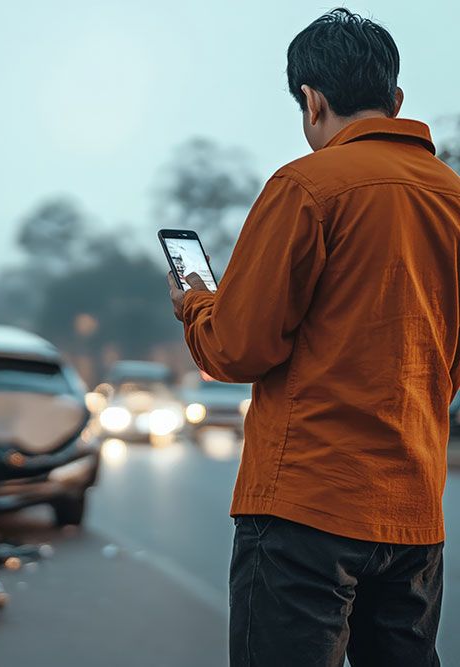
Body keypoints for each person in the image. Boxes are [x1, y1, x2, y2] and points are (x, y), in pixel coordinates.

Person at [166, 8, 460, 667]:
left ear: (312, 99)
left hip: (306, 507)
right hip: (414, 515)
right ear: (396, 99)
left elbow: (239, 347)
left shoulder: (307, 187)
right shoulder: (453, 197)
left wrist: (196, 304)